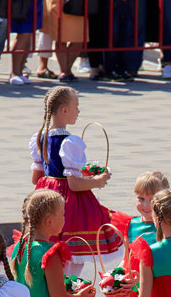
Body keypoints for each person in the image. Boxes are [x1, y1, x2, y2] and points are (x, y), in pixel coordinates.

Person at [29, 87, 122, 265]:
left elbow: (36, 178)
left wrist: (77, 173)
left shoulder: (40, 137)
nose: (78, 111)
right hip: (68, 202)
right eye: (76, 107)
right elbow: (73, 185)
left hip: (46, 194)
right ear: (64, 110)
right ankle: (69, 289)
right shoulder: (70, 142)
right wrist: (97, 181)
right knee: (73, 254)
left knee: (51, 248)